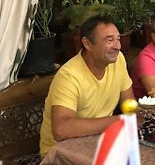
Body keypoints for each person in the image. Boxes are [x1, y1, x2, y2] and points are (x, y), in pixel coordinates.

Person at [39, 16, 134, 155]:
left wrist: (136, 116)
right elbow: (61, 129)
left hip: (99, 141)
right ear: (87, 43)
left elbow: (129, 102)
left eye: (118, 39)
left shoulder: (118, 60)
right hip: (61, 154)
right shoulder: (69, 76)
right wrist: (117, 121)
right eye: (109, 40)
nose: (117, 46)